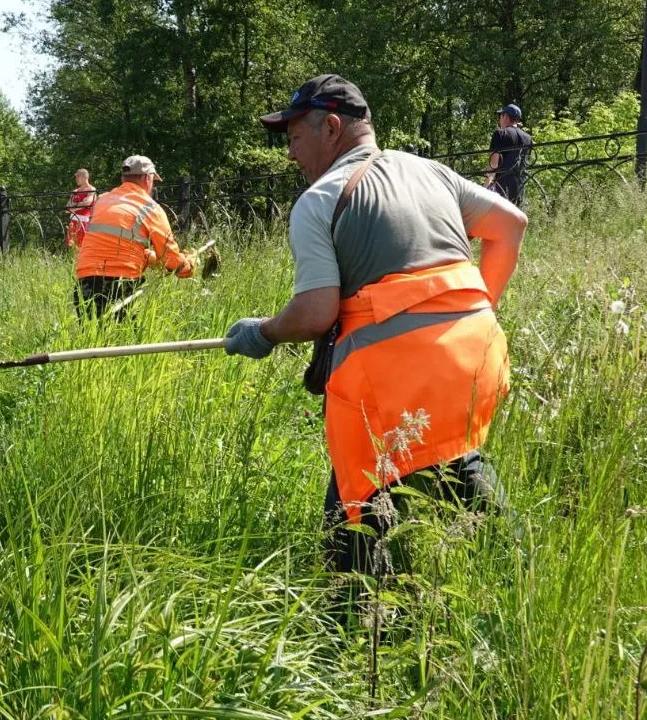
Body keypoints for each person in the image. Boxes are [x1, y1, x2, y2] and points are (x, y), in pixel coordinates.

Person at [222, 74, 528, 579]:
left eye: (295, 138)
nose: (291, 154)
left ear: (332, 127)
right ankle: (522, 578)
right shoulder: (432, 172)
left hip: (394, 381)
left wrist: (263, 331)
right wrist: (481, 307)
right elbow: (511, 225)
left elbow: (317, 311)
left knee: (352, 508)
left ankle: (353, 617)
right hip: (477, 358)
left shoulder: (319, 201)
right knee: (455, 461)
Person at [73, 155, 196, 320]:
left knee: (92, 339)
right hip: (120, 284)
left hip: (85, 279)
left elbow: (114, 246)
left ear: (123, 179)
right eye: (153, 179)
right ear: (147, 178)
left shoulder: (102, 200)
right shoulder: (150, 208)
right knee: (123, 339)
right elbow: (172, 261)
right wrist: (188, 265)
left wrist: (150, 259)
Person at [484, 104, 532, 207]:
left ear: (505, 116)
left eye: (500, 116)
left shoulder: (500, 134)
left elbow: (493, 166)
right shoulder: (527, 138)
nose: (499, 119)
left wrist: (485, 191)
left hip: (501, 189)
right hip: (520, 188)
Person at [65, 168, 97, 249]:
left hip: (84, 222)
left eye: (78, 176)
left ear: (84, 177)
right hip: (73, 222)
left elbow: (87, 203)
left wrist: (73, 207)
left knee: (83, 246)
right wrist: (79, 205)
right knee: (72, 247)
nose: (76, 179)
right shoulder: (75, 191)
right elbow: (67, 208)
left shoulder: (92, 189)